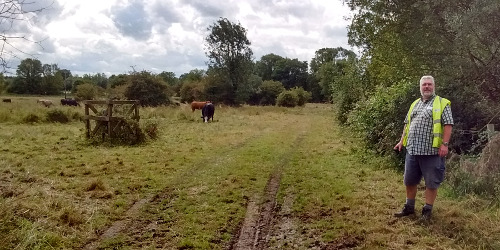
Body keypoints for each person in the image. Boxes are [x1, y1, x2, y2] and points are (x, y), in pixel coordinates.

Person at [393, 75, 453, 222]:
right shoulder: (415, 104)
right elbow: (407, 124)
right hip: (412, 150)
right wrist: (401, 141)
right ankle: (409, 208)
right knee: (409, 181)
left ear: (434, 86)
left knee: (431, 183)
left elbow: (448, 125)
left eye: (429, 84)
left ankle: (427, 212)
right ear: (420, 87)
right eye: (424, 84)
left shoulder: (441, 103)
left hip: (431, 152)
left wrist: (445, 144)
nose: (426, 87)